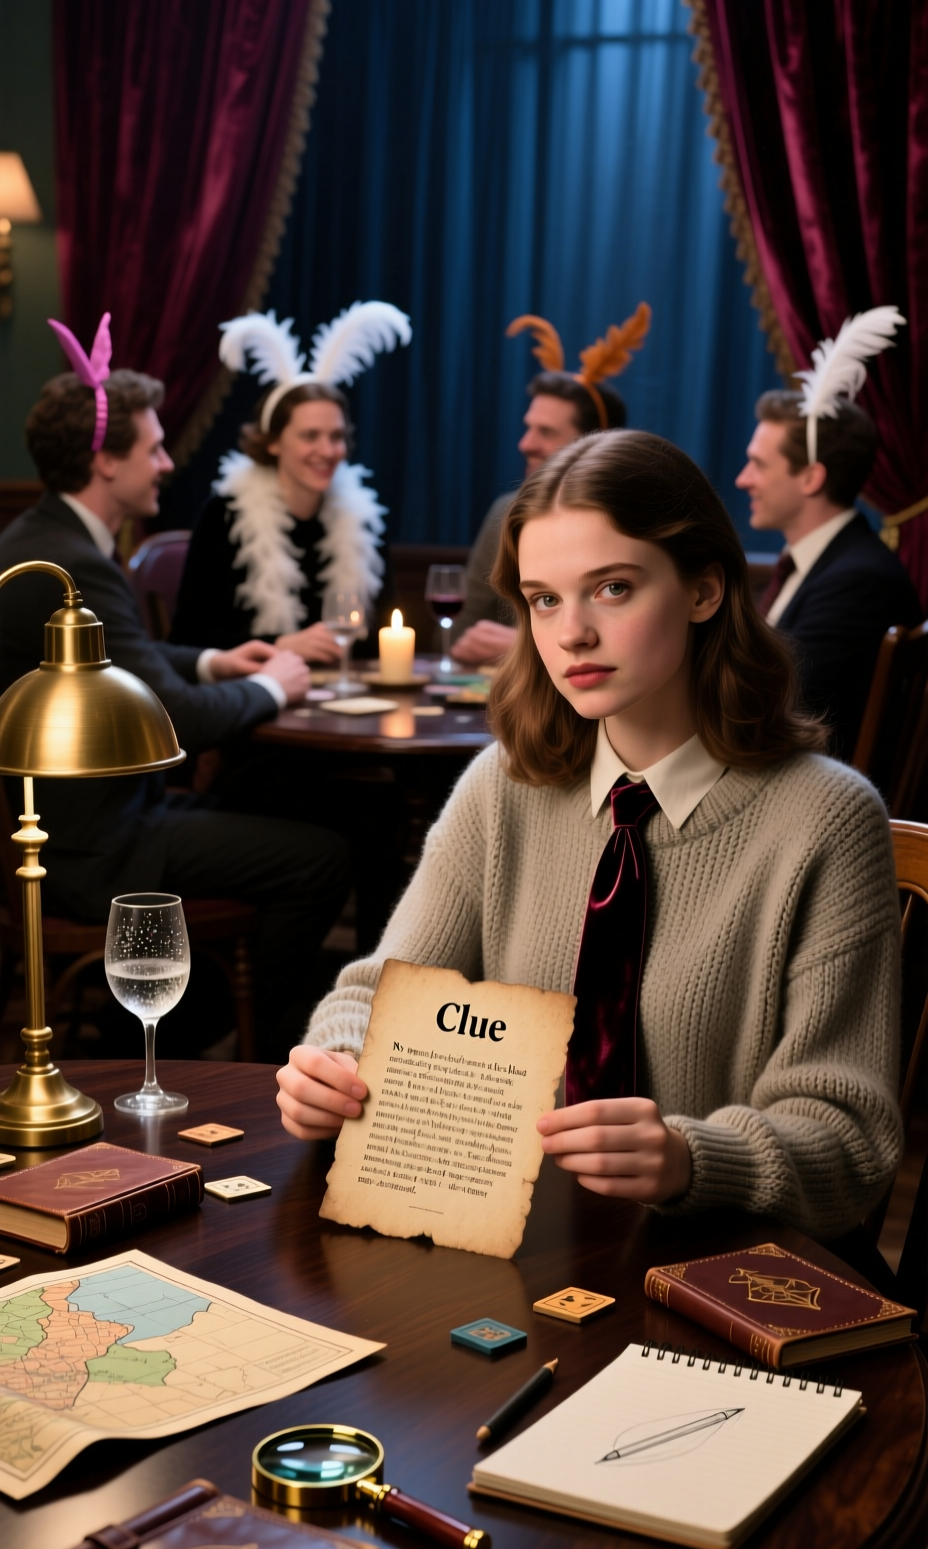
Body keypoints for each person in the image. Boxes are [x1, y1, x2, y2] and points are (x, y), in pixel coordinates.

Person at [278, 428, 903, 1241]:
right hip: (514, 1250)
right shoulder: (502, 786)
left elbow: (851, 1144)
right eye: (544, 599)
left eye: (612, 588)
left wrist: (690, 1158)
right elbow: (373, 995)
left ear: (705, 589)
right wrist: (334, 1064)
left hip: (713, 1264)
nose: (571, 632)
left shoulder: (826, 819)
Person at [0, 317, 351, 1060]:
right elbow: (172, 717)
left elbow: (127, 663)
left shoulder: (49, 538)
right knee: (321, 858)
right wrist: (275, 685)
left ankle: (177, 1026)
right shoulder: (71, 563)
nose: (166, 463)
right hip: (92, 845)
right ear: (105, 460)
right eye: (154, 448)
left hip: (91, 820)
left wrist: (216, 662)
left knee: (287, 808)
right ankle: (205, 1043)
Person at [170, 303, 411, 657]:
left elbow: (379, 639)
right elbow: (186, 640)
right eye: (310, 436)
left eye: (336, 436)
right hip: (253, 687)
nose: (327, 450)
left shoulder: (363, 520)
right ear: (272, 442)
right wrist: (280, 645)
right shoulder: (224, 515)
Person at [736, 311, 922, 761]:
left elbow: (777, 706)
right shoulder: (821, 564)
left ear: (811, 477)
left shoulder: (858, 581)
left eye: (759, 464)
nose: (743, 479)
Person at [450, 306, 649, 666]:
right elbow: (456, 635)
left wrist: (525, 645)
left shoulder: (641, 522)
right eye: (528, 428)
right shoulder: (505, 514)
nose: (525, 444)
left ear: (594, 443)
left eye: (546, 432)